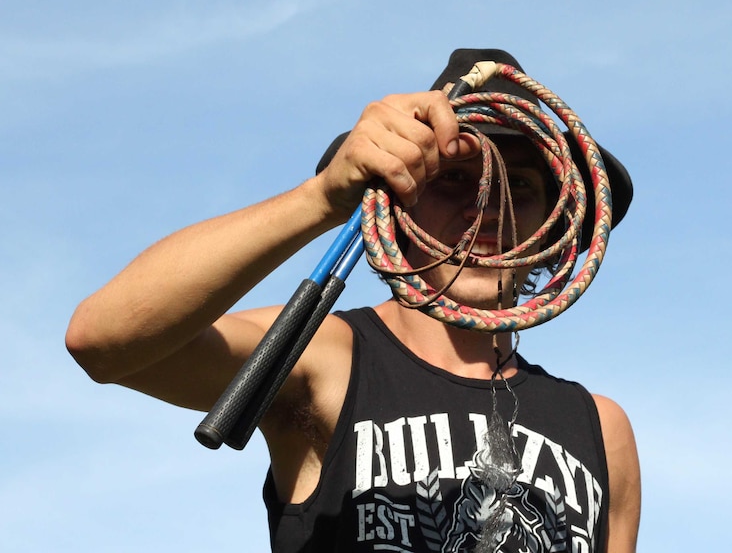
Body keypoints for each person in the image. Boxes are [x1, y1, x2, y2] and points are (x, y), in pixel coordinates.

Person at [66, 48, 640, 553]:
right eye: (452, 179)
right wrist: (322, 198)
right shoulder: (327, 358)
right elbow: (104, 339)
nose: (486, 206)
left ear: (553, 227)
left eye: (520, 187)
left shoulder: (602, 429)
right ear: (396, 203)